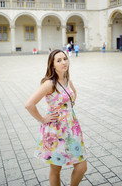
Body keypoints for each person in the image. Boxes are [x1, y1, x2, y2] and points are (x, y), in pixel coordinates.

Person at [25, 49, 87, 186]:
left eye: (65, 59)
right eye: (59, 60)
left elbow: (74, 93)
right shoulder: (49, 83)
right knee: (55, 168)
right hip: (55, 131)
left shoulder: (67, 79)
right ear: (52, 65)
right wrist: (42, 119)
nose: (64, 62)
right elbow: (29, 104)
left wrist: (69, 107)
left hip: (72, 128)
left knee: (82, 166)